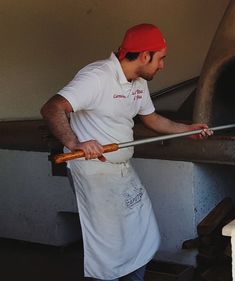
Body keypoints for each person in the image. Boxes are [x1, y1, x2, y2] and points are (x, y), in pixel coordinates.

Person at [40, 23, 212, 281]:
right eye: (161, 59)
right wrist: (75, 143)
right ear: (145, 56)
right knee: (109, 246)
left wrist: (187, 129)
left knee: (142, 233)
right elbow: (52, 108)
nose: (162, 65)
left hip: (122, 170)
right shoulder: (97, 76)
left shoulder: (138, 82)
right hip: (93, 172)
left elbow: (152, 119)